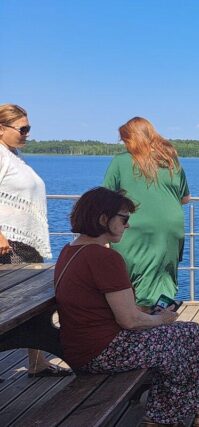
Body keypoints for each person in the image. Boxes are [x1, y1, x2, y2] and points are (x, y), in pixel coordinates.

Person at [54, 187, 199, 426]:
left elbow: (105, 308)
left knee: (178, 344)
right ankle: (178, 414)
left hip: (80, 348)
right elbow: (129, 321)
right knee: (191, 335)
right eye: (124, 219)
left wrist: (146, 313)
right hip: (104, 352)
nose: (127, 225)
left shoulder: (70, 251)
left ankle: (198, 410)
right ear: (104, 219)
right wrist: (162, 320)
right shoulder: (105, 258)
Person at [0, 103, 73, 378]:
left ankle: (37, 361)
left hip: (25, 242)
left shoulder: (13, 155)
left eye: (29, 128)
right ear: (1, 128)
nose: (27, 133)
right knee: (12, 303)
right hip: (10, 243)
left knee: (31, 303)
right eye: (23, 128)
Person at [102, 117, 190, 307]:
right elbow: (185, 198)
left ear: (131, 139)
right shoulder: (170, 160)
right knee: (164, 277)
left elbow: (105, 198)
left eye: (124, 140)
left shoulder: (121, 161)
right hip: (172, 227)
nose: (124, 145)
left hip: (136, 228)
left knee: (134, 277)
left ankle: (141, 322)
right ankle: (163, 317)